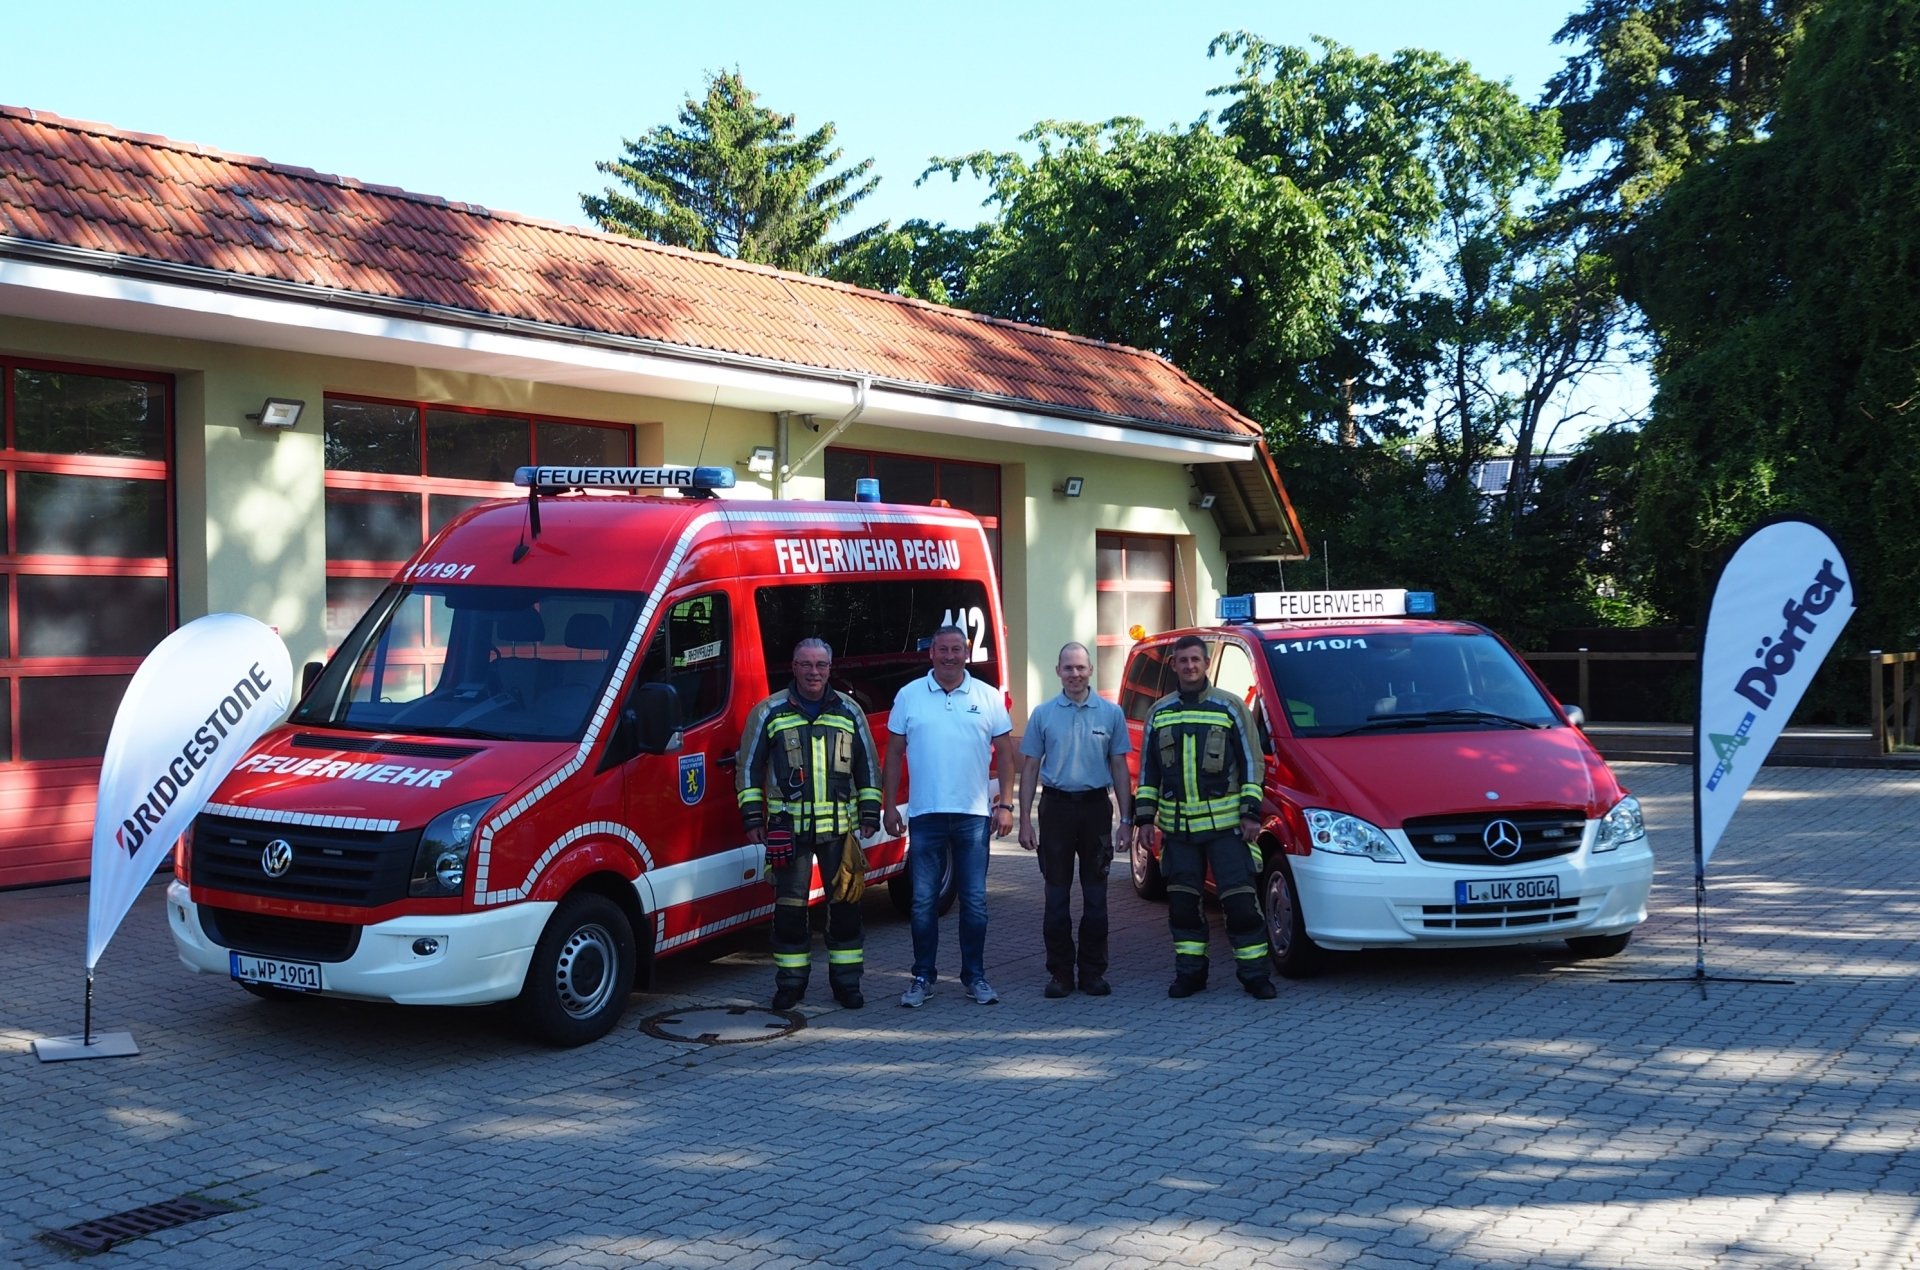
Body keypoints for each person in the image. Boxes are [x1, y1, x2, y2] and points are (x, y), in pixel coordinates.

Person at [736, 638, 882, 1010]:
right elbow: (749, 767)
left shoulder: (849, 711)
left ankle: (847, 984)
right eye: (806, 664)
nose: (813, 672)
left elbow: (868, 765)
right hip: (789, 831)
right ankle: (791, 984)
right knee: (789, 911)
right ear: (794, 667)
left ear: (830, 668)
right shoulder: (769, 711)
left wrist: (869, 812)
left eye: (820, 665)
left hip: (839, 829)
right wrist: (753, 816)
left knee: (846, 907)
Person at [1132, 634, 1277, 1000]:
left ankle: (1255, 975)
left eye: (1196, 659)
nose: (1190, 666)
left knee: (1242, 902)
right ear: (1174, 665)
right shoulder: (1160, 712)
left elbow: (1251, 762)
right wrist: (1145, 820)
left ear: (1206, 663)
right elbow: (1149, 772)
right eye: (1184, 661)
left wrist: (1250, 813)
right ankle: (1191, 974)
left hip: (1226, 829)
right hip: (1178, 832)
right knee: (1182, 906)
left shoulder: (1229, 707)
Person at [882, 625, 1016, 1007]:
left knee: (974, 902)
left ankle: (974, 976)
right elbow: (893, 754)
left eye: (957, 649)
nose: (950, 656)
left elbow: (1005, 754)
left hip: (973, 816)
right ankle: (923, 976)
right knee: (922, 902)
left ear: (966, 653)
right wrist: (889, 804)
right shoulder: (909, 696)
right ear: (931, 653)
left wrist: (1005, 804)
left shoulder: (987, 697)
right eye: (943, 649)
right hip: (925, 815)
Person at [1017, 641, 1132, 998]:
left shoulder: (1111, 714)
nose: (1075, 674)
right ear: (1058, 672)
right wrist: (1024, 819)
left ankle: (1093, 972)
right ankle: (1061, 973)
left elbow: (1119, 768)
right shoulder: (1043, 714)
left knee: (1096, 896)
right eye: (1068, 668)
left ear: (1091, 671)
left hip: (1097, 810)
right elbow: (1031, 767)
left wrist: (1127, 819)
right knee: (1056, 898)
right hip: (1056, 810)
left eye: (1081, 667)